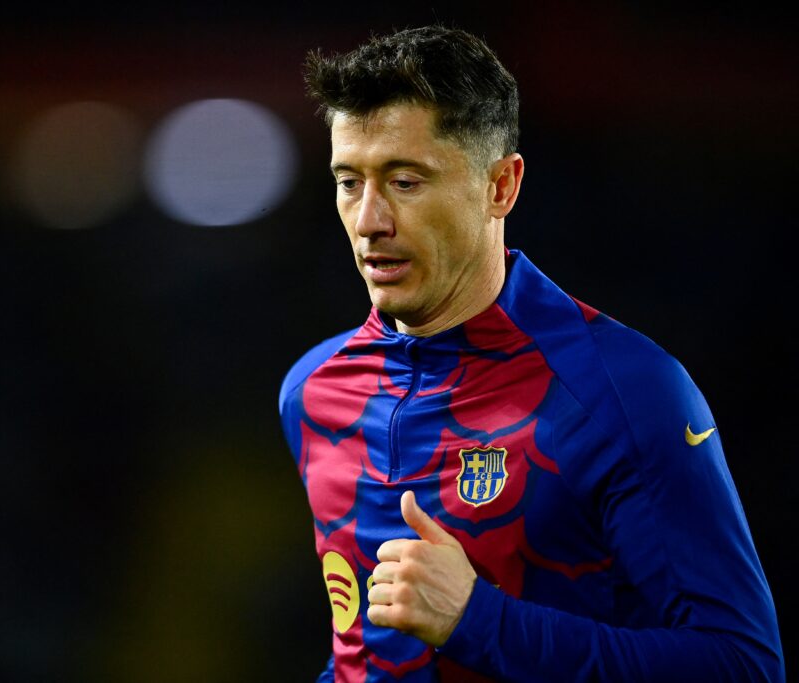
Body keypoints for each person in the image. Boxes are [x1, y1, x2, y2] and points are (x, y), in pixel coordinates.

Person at [277, 25, 784, 682]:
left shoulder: (622, 392)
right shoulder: (315, 392)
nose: (370, 219)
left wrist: (478, 620)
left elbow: (741, 664)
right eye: (350, 181)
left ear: (501, 187)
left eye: (404, 181)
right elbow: (363, 656)